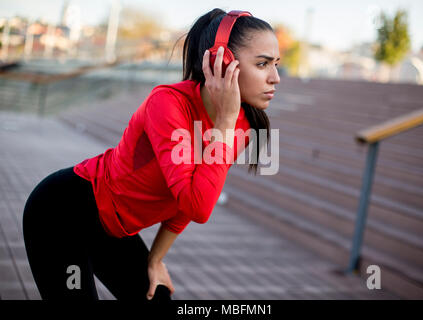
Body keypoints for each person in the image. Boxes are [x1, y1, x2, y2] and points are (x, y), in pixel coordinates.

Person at [22, 8, 280, 300]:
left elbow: (190, 200)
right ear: (223, 62)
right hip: (64, 212)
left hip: (114, 230)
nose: (276, 77)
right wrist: (224, 122)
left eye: (276, 64)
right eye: (262, 64)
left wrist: (155, 259)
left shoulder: (243, 125)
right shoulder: (168, 104)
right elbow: (199, 207)